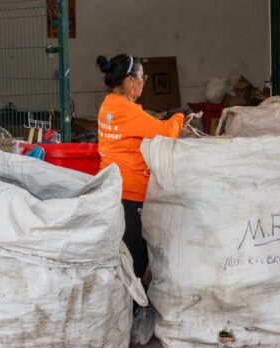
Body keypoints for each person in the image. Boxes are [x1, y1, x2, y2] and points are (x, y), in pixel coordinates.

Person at [95, 54, 185, 289]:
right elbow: (166, 132)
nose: (144, 82)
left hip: (114, 187)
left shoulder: (109, 104)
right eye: (142, 77)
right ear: (128, 80)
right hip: (130, 192)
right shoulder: (126, 110)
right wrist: (179, 117)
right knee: (136, 259)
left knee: (126, 254)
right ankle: (129, 313)